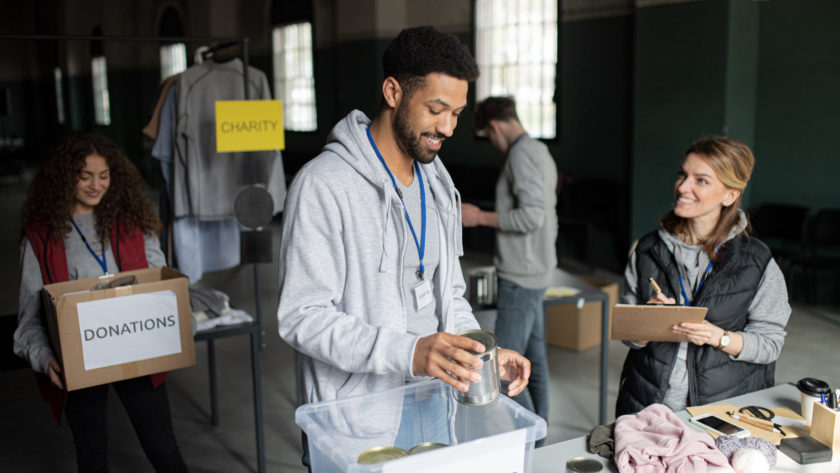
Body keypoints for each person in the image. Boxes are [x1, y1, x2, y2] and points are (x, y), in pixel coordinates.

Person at [276, 25, 531, 452]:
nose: (448, 127)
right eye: (436, 109)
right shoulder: (323, 185)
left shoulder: (437, 183)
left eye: (457, 113)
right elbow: (302, 316)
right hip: (357, 415)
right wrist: (409, 352)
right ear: (393, 92)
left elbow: (446, 293)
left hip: (434, 396)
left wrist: (479, 352)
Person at [14, 132, 188, 472]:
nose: (96, 185)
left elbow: (161, 290)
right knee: (92, 457)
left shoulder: (134, 224)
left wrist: (180, 319)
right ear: (66, 178)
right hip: (78, 361)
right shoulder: (40, 237)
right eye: (85, 176)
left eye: (104, 176)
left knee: (164, 450)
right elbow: (29, 321)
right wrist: (46, 359)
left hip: (137, 349)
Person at [615, 136, 791, 417]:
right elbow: (628, 336)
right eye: (682, 175)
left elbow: (770, 344)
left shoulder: (757, 261)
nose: (683, 187)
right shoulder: (646, 249)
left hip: (724, 412)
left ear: (730, 195)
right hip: (648, 406)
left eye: (701, 180)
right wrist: (646, 320)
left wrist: (719, 337)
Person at [461, 96, 558, 424]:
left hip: (521, 274)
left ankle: (528, 431)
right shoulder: (540, 150)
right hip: (537, 269)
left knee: (504, 366)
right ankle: (540, 434)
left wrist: (479, 218)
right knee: (534, 360)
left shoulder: (520, 155)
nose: (493, 143)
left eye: (489, 137)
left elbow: (533, 217)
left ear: (494, 127)